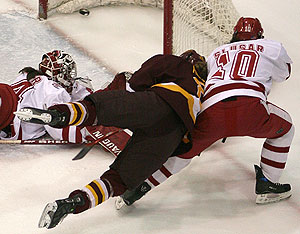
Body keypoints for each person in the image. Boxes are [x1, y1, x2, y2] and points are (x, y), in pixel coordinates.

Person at [15, 50, 207, 229]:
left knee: (97, 109)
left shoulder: (176, 64)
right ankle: (75, 202)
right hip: (173, 135)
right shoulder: (204, 93)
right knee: (118, 179)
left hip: (155, 104)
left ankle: (59, 115)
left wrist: (123, 106)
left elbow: (135, 83)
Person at [116, 17, 294, 207]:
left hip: (211, 109)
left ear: (234, 35)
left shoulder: (217, 52)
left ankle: (138, 187)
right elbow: (284, 74)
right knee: (286, 129)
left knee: (184, 153)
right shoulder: (271, 46)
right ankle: (267, 183)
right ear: (259, 35)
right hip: (250, 107)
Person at [0, 50, 93, 143]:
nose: (69, 77)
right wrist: (89, 133)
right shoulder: (53, 92)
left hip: (5, 99)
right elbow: (57, 127)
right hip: (9, 121)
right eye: (66, 73)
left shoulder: (26, 75)